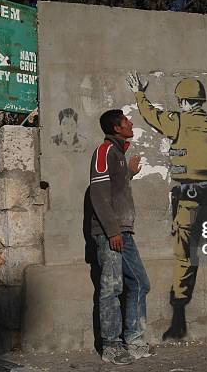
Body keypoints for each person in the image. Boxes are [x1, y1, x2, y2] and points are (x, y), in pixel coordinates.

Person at [125, 72, 207, 341]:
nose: (179, 104)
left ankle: (178, 320)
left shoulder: (177, 122)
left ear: (184, 101)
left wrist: (139, 93)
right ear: (200, 101)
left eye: (180, 100)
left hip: (189, 201)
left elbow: (150, 116)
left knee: (185, 257)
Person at [87, 109, 152, 365]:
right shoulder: (103, 151)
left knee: (139, 283)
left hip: (123, 232)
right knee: (111, 288)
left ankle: (135, 341)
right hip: (110, 233)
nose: (131, 123)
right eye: (126, 121)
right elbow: (99, 194)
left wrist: (129, 173)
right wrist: (112, 231)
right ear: (116, 128)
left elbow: (114, 187)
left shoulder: (118, 155)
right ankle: (111, 346)